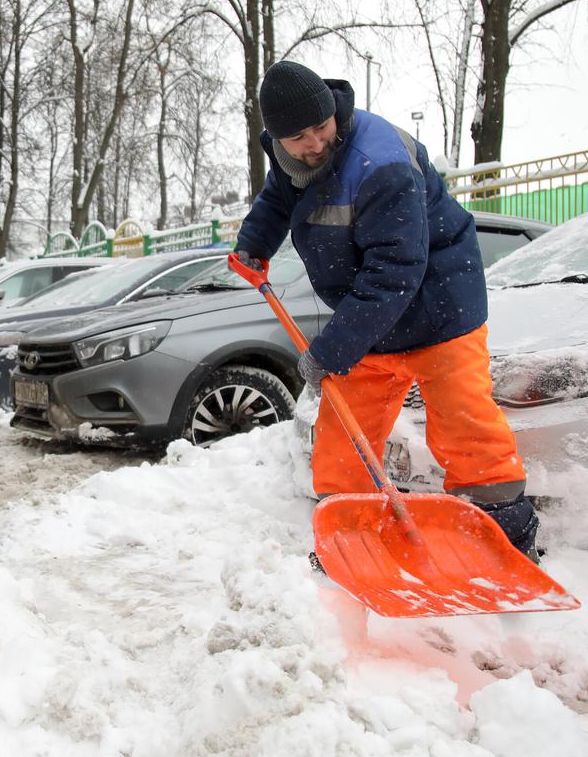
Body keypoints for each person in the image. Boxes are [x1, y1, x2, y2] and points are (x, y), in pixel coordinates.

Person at [230, 61, 538, 557]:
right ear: (278, 139)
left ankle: (502, 537)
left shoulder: (381, 163)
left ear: (333, 112)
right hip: (372, 317)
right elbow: (279, 197)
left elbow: (395, 272)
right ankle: (351, 539)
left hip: (439, 308)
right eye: (298, 138)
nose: (314, 143)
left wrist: (331, 350)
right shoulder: (291, 155)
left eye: (321, 127)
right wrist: (254, 244)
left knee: (466, 431)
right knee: (344, 440)